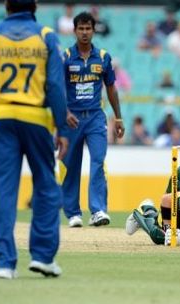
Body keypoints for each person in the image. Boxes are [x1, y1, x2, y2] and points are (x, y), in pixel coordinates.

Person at [0, 0, 69, 279]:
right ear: (34, 5)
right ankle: (43, 256)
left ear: (6, 5)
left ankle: (4, 262)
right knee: (47, 187)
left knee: (1, 188)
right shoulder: (46, 35)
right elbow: (56, 86)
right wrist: (61, 126)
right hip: (36, 119)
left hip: (1, 118)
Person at [62, 12, 125, 228]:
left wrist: (118, 117)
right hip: (72, 119)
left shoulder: (104, 57)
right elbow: (57, 90)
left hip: (96, 118)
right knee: (71, 165)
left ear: (94, 30)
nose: (85, 32)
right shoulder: (65, 57)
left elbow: (111, 88)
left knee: (98, 161)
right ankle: (72, 213)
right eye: (81, 28)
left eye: (88, 28)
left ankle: (98, 210)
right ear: (74, 30)